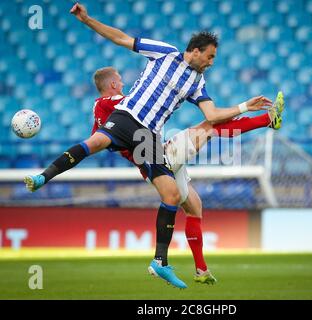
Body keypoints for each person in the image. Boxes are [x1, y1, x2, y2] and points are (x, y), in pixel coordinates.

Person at [25, 2, 276, 289]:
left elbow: (212, 115)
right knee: (96, 141)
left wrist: (245, 105)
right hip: (127, 117)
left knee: (171, 195)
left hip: (150, 136)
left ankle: (160, 262)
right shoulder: (164, 52)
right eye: (209, 56)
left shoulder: (197, 83)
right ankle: (42, 176)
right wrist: (87, 20)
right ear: (195, 50)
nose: (211, 62)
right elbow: (121, 38)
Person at [89, 67, 284, 285]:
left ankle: (201, 270)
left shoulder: (99, 111)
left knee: (194, 207)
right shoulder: (119, 103)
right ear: (113, 85)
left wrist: (127, 149)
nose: (123, 83)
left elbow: (99, 141)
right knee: (210, 126)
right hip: (159, 158)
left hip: (153, 161)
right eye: (120, 80)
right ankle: (267, 119)